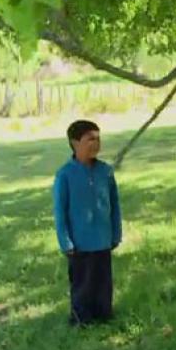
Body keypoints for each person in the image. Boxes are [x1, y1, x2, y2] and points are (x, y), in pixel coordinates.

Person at [53, 120, 122, 326]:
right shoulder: (65, 174)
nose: (96, 143)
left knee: (103, 282)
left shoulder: (105, 171)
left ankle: (104, 315)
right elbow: (60, 211)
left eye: (98, 138)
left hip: (103, 239)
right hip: (79, 244)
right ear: (75, 142)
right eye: (90, 139)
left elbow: (114, 204)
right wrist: (65, 242)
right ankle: (81, 318)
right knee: (83, 283)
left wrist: (115, 234)